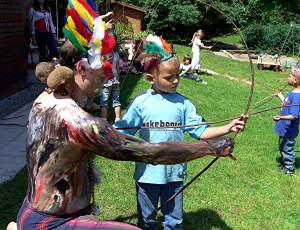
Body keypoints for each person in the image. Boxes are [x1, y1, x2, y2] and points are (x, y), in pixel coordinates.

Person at [6, 2, 246, 230]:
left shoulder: (46, 96)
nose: (109, 77)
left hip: (35, 211)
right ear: (81, 69)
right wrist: (210, 148)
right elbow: (152, 152)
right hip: (53, 222)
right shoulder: (77, 121)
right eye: (104, 71)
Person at [114, 35, 248, 230]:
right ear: (151, 78)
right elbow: (120, 133)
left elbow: (201, 131)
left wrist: (228, 127)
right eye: (169, 77)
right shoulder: (140, 103)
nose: (176, 80)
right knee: (147, 220)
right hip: (147, 175)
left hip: (175, 174)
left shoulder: (183, 103)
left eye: (177, 74)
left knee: (174, 222)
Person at [273, 67, 300, 175]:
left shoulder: (297, 97)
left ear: (295, 80)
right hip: (285, 127)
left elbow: (294, 116)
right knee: (282, 145)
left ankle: (289, 168)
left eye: (289, 76)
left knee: (287, 148)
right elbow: (287, 103)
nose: (288, 78)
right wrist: (280, 96)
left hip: (289, 129)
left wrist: (281, 117)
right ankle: (285, 162)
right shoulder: (293, 92)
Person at [100, 32, 121, 123]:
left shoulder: (102, 56)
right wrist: (118, 79)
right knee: (116, 101)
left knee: (104, 102)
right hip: (115, 79)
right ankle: (118, 120)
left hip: (106, 81)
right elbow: (118, 69)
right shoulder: (116, 54)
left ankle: (104, 120)